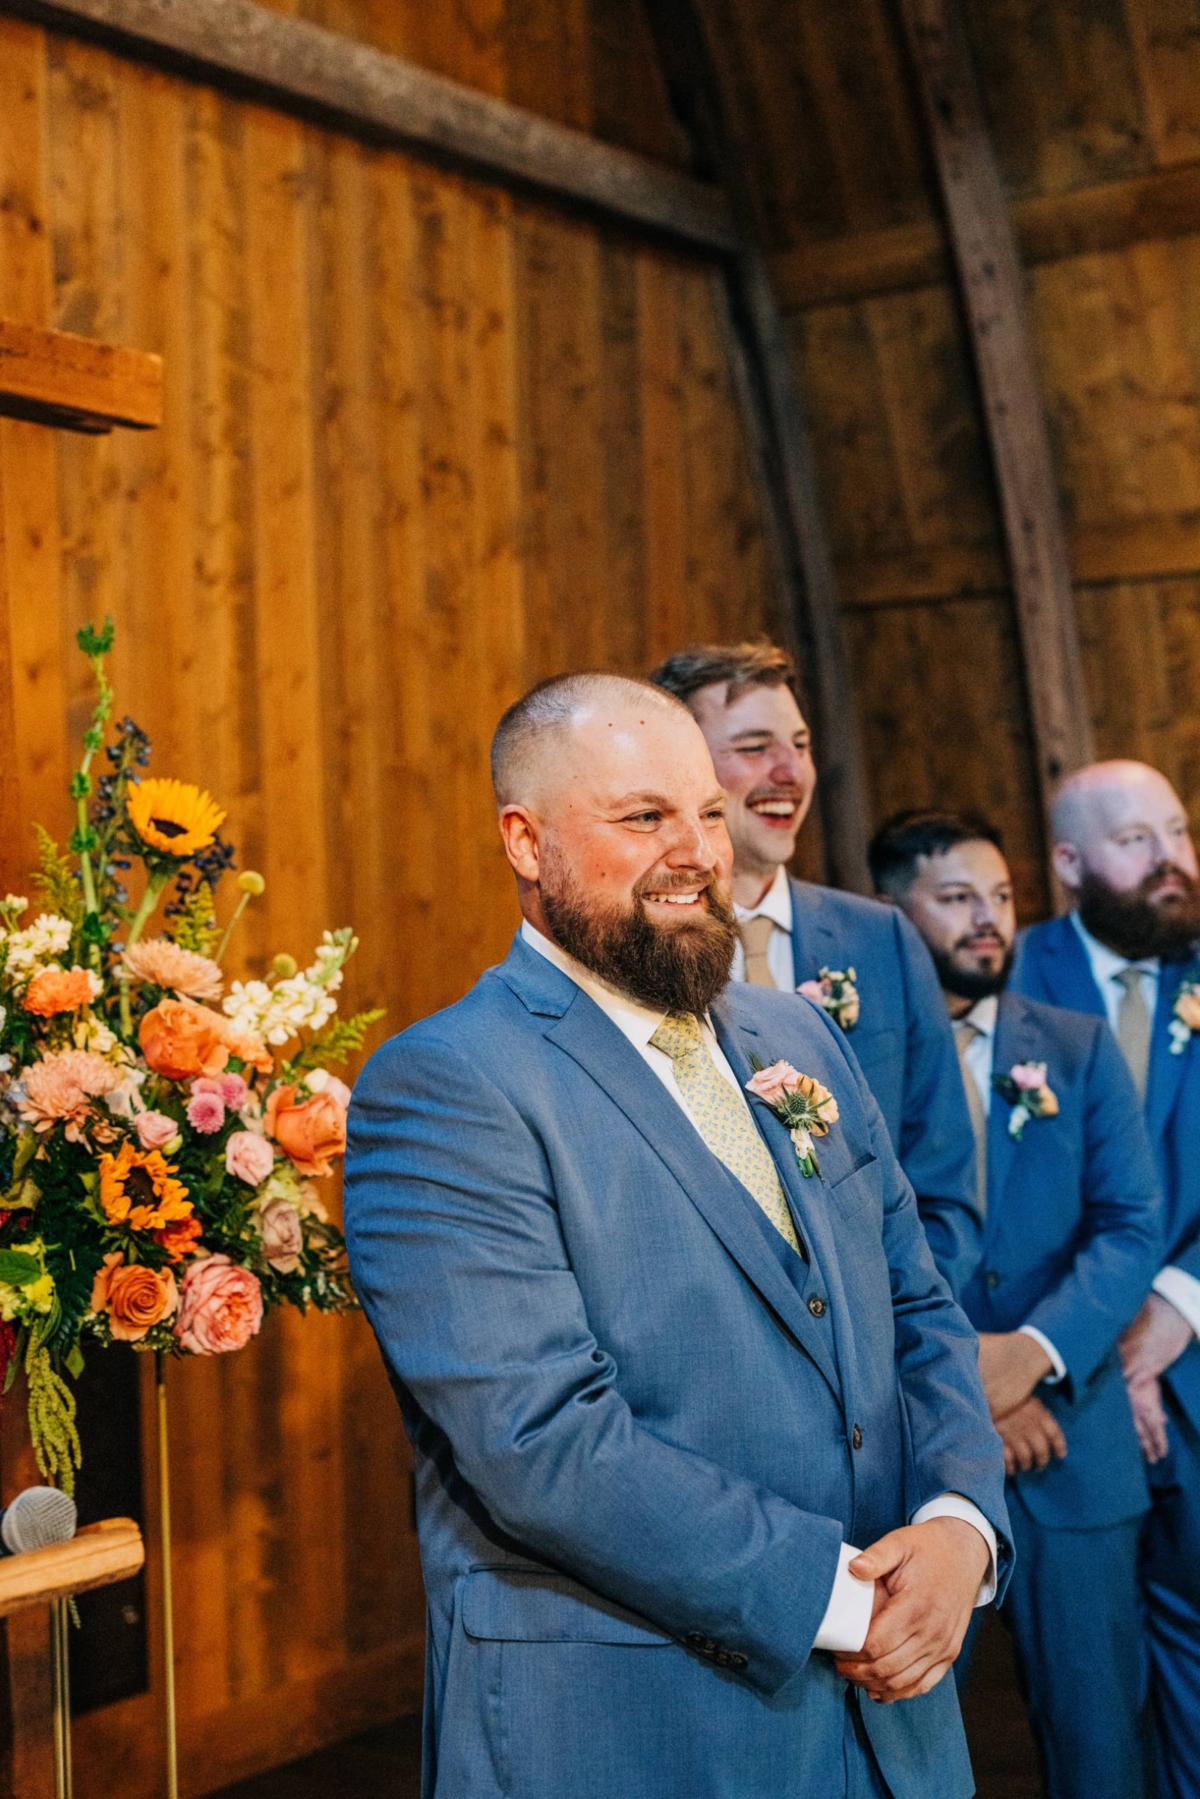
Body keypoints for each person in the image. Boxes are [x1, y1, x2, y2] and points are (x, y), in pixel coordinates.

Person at [345, 673, 1009, 1799]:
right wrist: (843, 1598)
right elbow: (542, 1440)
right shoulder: (449, 1085)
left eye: (706, 810)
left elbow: (916, 1305)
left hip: (899, 1721)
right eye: (644, 816)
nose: (698, 851)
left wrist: (959, 1526)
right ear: (526, 840)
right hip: (639, 1726)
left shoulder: (798, 1035)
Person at [871, 807, 1161, 1799]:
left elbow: (1131, 1224)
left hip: (1076, 1444)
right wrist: (974, 1390)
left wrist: (1032, 1353)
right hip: (919, 1459)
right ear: (891, 913)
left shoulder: (1074, 1046)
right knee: (909, 1741)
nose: (987, 918)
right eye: (956, 897)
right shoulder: (852, 1049)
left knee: (1099, 1739)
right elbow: (852, 1242)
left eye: (999, 896)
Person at [650, 641, 980, 1295]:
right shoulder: (645, 951)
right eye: (754, 747)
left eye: (799, 745)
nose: (791, 772)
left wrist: (896, 1327)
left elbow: (943, 1184)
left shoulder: (882, 940)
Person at [1011, 759, 1200, 1799]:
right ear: (1070, 862)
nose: (1172, 858)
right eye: (1136, 839)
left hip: (1196, 1367)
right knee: (1089, 1705)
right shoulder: (1009, 978)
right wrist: (1082, 1346)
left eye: (1178, 830)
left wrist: (1175, 1307)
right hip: (1061, 1399)